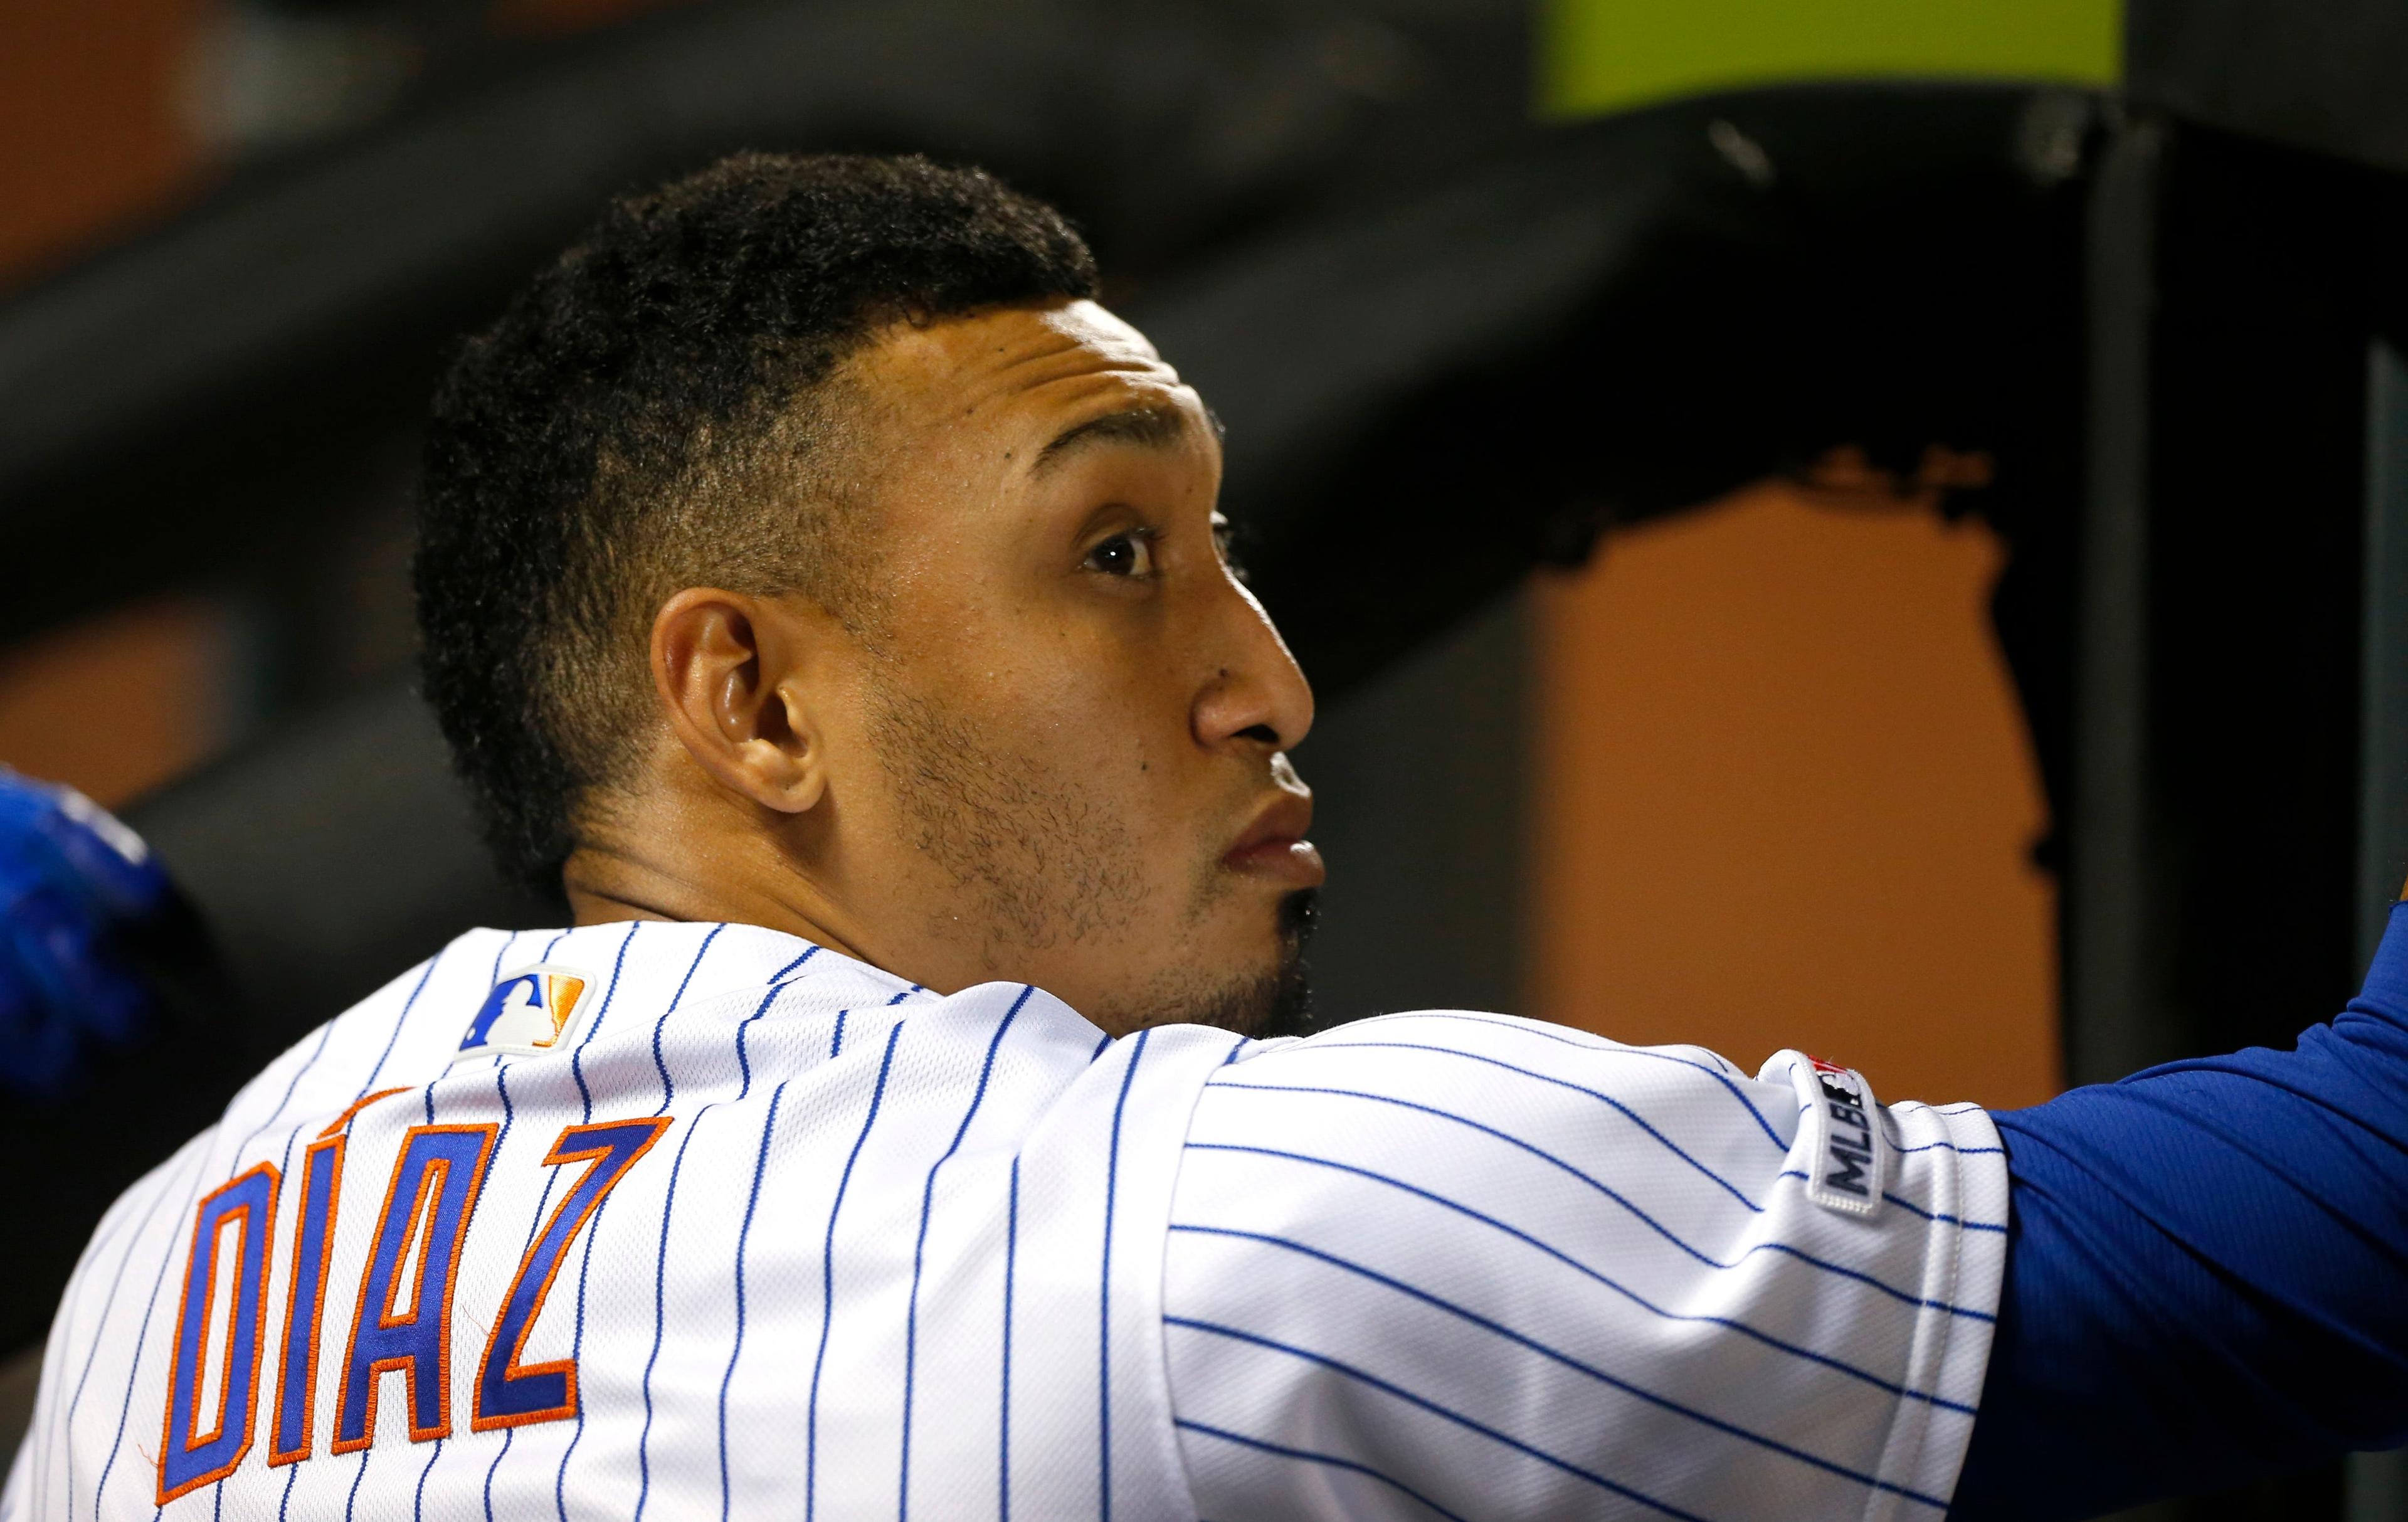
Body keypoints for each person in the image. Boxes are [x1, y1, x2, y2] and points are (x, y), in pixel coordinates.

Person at [4, 152, 2404, 1522]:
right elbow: (2374, 1208)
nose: (1270, 677)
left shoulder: (143, 1288)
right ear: (748, 695)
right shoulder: (1203, 1223)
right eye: (1121, 556)